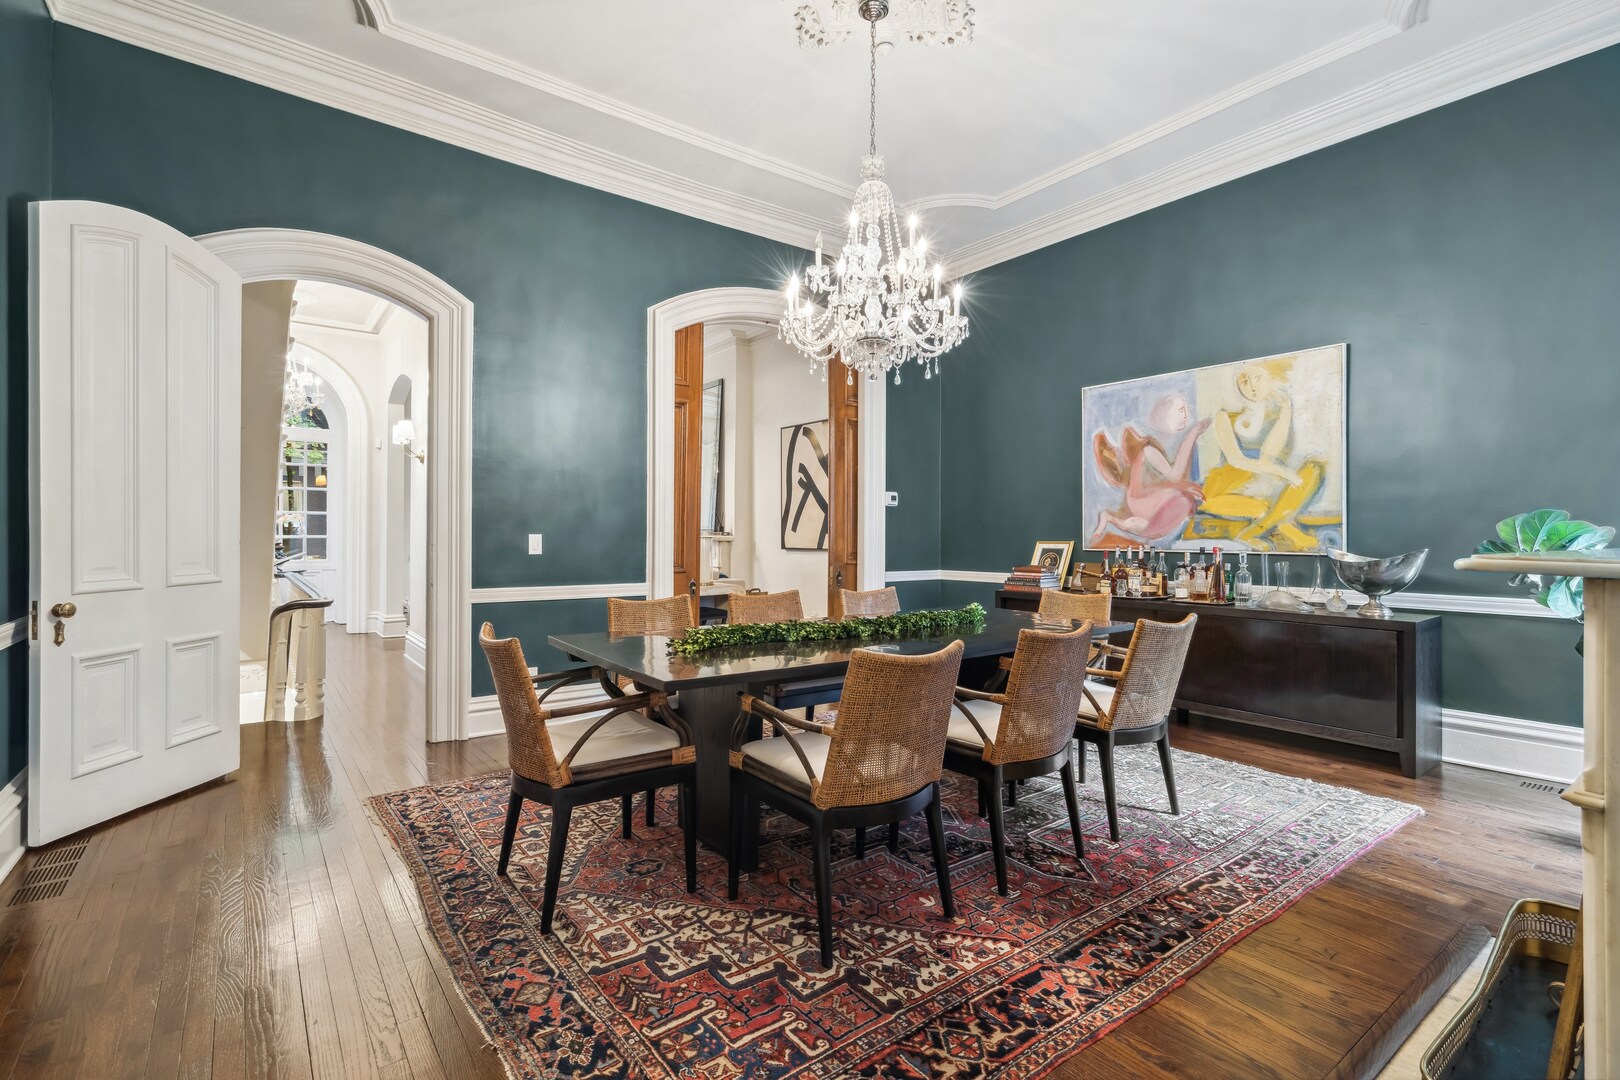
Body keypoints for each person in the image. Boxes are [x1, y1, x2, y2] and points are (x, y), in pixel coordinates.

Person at [1195, 358, 1325, 550]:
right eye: (1244, 381)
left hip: (1265, 484)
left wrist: (1286, 412)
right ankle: (1285, 528)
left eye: (1257, 378)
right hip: (1228, 485)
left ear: (1270, 378)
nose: (1251, 386)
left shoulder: (1276, 413)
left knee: (1315, 468)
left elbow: (1268, 457)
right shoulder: (1225, 417)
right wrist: (1283, 472)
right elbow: (1236, 459)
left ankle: (1251, 533)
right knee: (1263, 507)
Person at [1088, 393, 1210, 546]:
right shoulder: (1149, 449)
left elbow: (1166, 482)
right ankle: (1111, 518)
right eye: (1180, 410)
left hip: (1149, 498)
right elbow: (1175, 475)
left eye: (1185, 409)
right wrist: (1192, 435)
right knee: (1184, 501)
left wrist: (1183, 487)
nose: (1186, 415)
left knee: (1185, 500)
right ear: (1166, 415)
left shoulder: (1162, 445)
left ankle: (1115, 519)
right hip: (1140, 500)